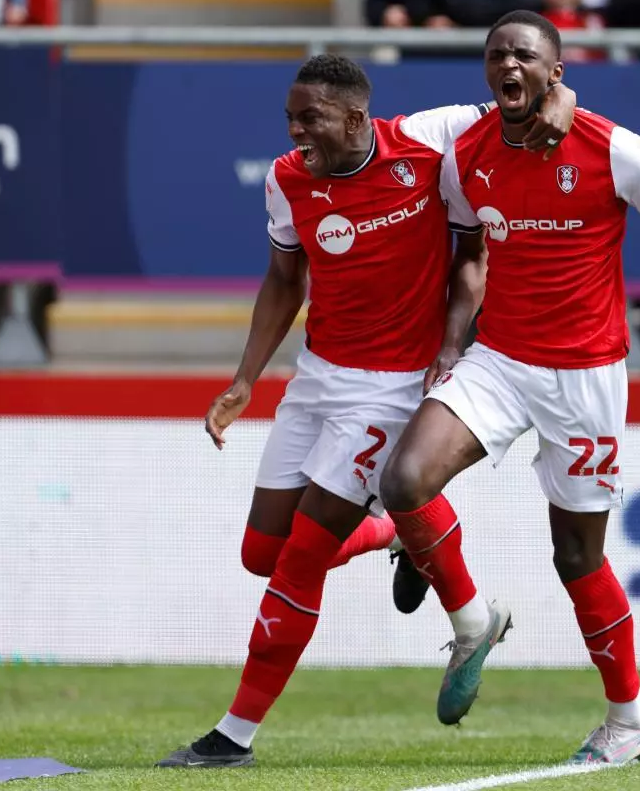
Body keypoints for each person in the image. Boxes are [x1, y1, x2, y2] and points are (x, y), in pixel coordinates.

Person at [377, 10, 640, 765]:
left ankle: (629, 718)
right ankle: (475, 619)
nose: (508, 65)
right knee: (405, 479)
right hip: (501, 360)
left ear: (556, 72)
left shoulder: (617, 150)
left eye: (525, 55)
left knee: (576, 558)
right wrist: (452, 345)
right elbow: (470, 258)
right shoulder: (465, 153)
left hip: (585, 377)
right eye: (496, 54)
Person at [155, 54, 576, 769]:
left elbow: (522, 99)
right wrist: (244, 379)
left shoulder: (427, 140)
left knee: (300, 561)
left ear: (355, 117)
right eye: (290, 119)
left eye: (309, 118)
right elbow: (284, 280)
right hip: (318, 379)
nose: (295, 133)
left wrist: (561, 98)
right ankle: (397, 530)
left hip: (391, 388)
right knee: (263, 552)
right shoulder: (287, 180)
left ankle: (233, 737)